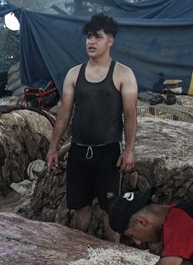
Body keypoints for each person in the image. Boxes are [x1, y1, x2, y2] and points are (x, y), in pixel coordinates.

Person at [45, 13, 139, 235]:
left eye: (97, 37)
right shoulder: (74, 74)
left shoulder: (124, 74)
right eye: (89, 37)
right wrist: (53, 148)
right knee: (80, 208)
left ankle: (111, 255)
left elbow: (131, 115)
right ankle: (79, 252)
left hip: (108, 152)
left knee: (110, 210)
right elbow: (64, 114)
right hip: (79, 150)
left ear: (110, 40)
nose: (91, 42)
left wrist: (129, 150)